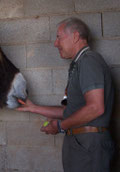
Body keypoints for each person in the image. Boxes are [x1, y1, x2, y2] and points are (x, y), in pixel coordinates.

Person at [16, 17, 115, 172]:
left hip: (89, 146)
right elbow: (69, 112)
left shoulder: (89, 61)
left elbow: (95, 108)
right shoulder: (79, 64)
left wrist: (60, 126)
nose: (56, 43)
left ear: (75, 36)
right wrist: (33, 108)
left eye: (58, 37)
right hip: (81, 144)